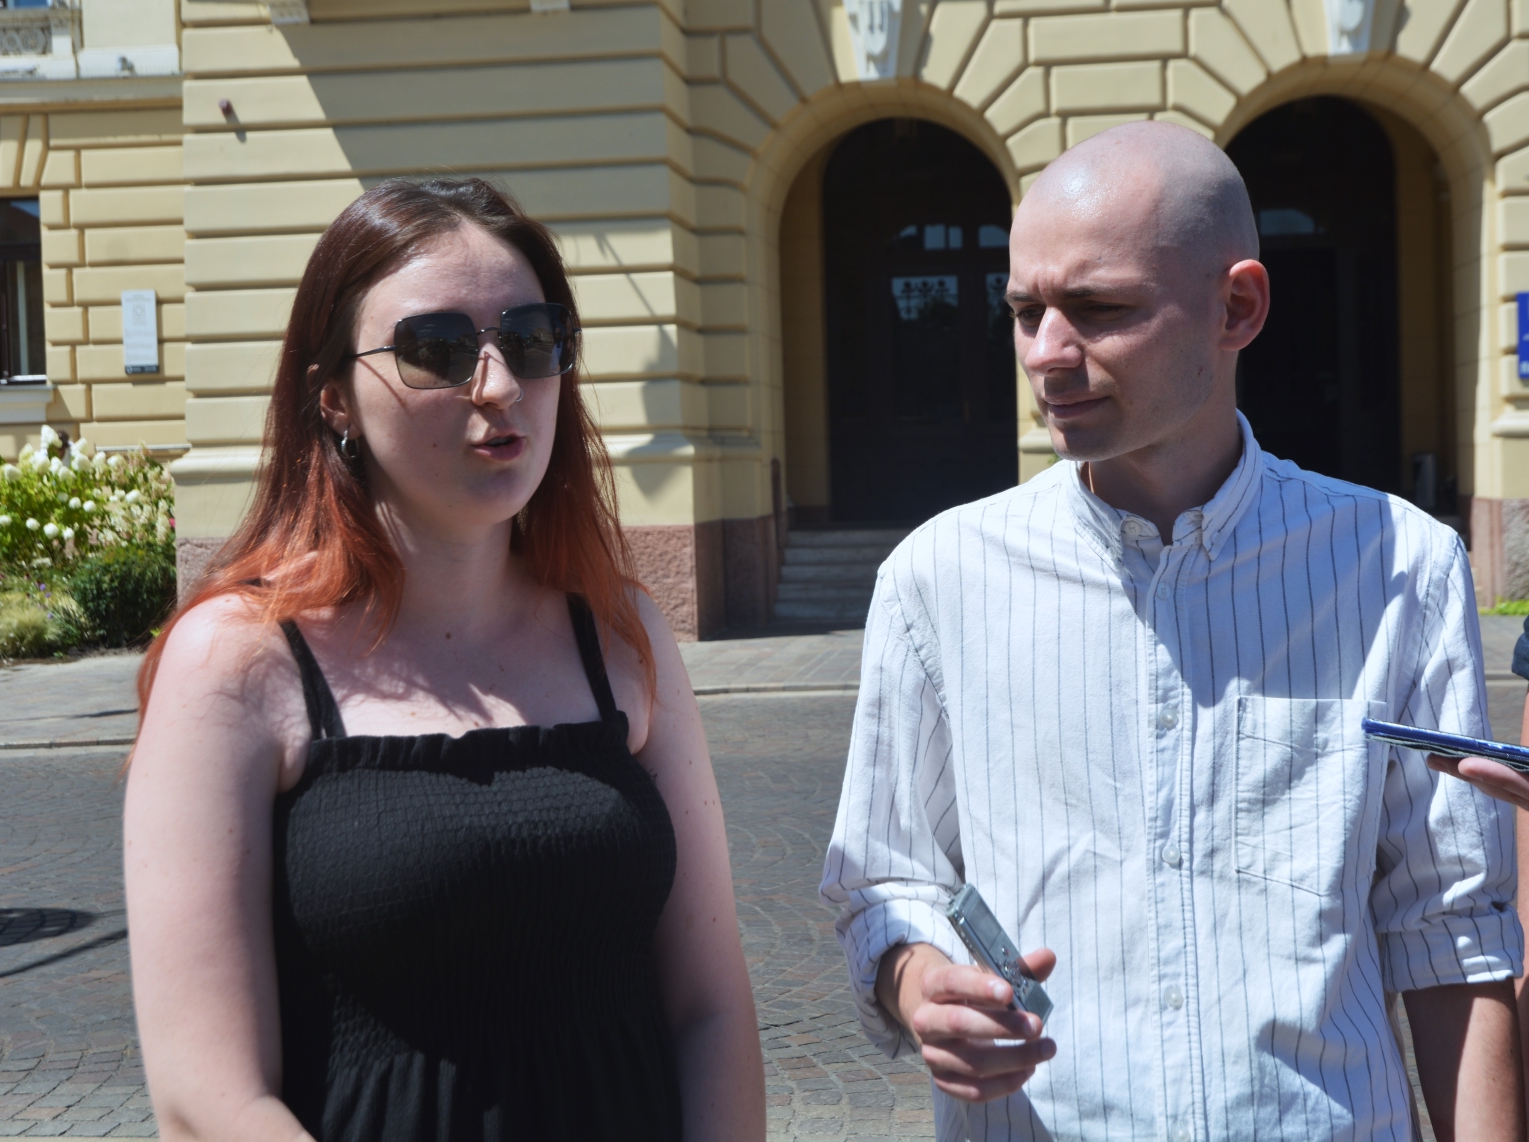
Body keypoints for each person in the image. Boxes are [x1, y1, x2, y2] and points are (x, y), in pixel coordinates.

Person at [820, 121, 1524, 1141]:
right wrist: (918, 980)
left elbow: (1449, 926)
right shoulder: (937, 579)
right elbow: (885, 877)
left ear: (1237, 307)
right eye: (1024, 312)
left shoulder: (1399, 566)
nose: (1046, 353)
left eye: (1099, 309)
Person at [123, 178, 765, 1141]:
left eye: (533, 339)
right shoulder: (235, 659)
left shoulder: (620, 634)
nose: (499, 386)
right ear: (333, 398)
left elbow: (710, 1010)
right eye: (436, 349)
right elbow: (203, 1094)